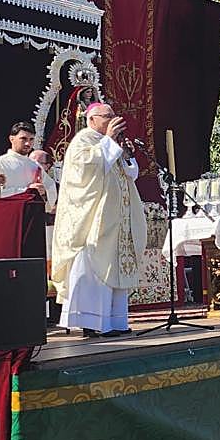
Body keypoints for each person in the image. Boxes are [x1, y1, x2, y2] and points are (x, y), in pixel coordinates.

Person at [52, 103, 146, 337]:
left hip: (117, 221)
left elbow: (130, 174)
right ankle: (94, 325)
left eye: (114, 116)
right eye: (108, 116)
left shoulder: (108, 141)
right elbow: (85, 171)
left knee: (117, 269)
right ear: (92, 119)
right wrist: (110, 141)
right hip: (94, 222)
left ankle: (116, 322)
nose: (113, 120)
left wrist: (127, 155)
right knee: (96, 270)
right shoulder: (84, 140)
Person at [0, 121, 49, 200]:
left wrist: (44, 191)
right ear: (12, 139)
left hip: (31, 211)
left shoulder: (35, 166)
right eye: (23, 139)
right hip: (6, 210)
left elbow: (51, 191)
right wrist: (26, 190)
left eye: (31, 139)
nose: (28, 143)